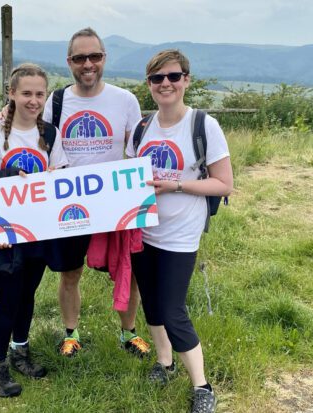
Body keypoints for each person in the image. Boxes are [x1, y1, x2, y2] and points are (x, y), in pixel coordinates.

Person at [126, 49, 233, 413]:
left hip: (179, 236)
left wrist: (177, 186)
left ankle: (202, 386)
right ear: (149, 85)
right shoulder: (142, 127)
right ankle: (164, 363)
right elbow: (129, 177)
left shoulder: (203, 125)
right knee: (153, 304)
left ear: (186, 79)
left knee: (173, 310)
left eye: (173, 76)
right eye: (157, 79)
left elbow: (224, 184)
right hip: (144, 232)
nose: (166, 84)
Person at [42, 27, 150, 357]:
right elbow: (38, 140)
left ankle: (128, 333)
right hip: (69, 203)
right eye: (79, 58)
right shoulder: (56, 101)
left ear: (104, 58)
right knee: (70, 272)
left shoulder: (125, 100)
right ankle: (71, 334)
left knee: (126, 270)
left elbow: (138, 149)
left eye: (95, 56)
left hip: (113, 201)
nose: (88, 64)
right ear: (69, 62)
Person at [0, 63, 68, 397]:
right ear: (11, 93)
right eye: (26, 93)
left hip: (39, 232)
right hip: (4, 235)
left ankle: (20, 350)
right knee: (7, 301)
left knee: (27, 295)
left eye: (39, 94)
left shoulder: (51, 134)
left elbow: (61, 179)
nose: (33, 100)